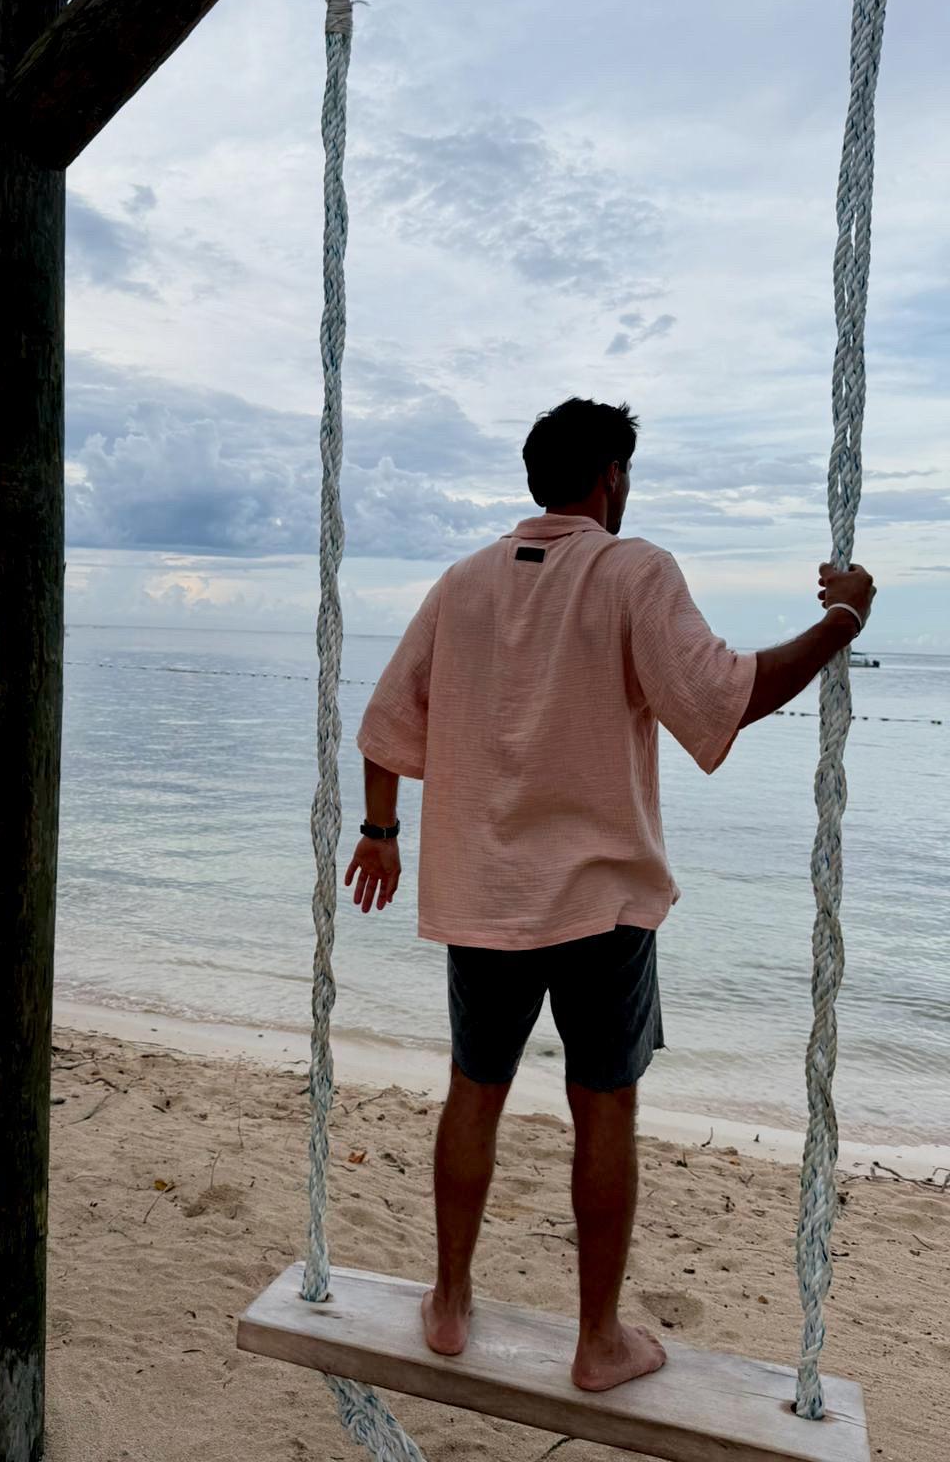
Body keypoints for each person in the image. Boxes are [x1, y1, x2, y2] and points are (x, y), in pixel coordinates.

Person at [343, 397, 876, 1393]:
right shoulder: (634, 570)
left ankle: (450, 1304)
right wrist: (844, 620)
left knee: (475, 1090)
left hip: (488, 894)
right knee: (604, 1109)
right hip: (603, 904)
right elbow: (730, 695)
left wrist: (381, 833)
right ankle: (597, 1341)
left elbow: (384, 723)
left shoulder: (463, 582)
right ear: (611, 477)